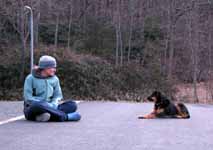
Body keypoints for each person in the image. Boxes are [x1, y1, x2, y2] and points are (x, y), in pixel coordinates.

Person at [23, 55, 81, 122]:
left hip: (51, 106)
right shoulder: (30, 78)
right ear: (44, 67)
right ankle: (65, 117)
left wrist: (53, 103)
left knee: (72, 105)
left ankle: (44, 117)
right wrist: (44, 104)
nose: (54, 70)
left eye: (55, 67)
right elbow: (28, 97)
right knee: (37, 105)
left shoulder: (55, 79)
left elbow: (57, 95)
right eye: (52, 67)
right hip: (34, 108)